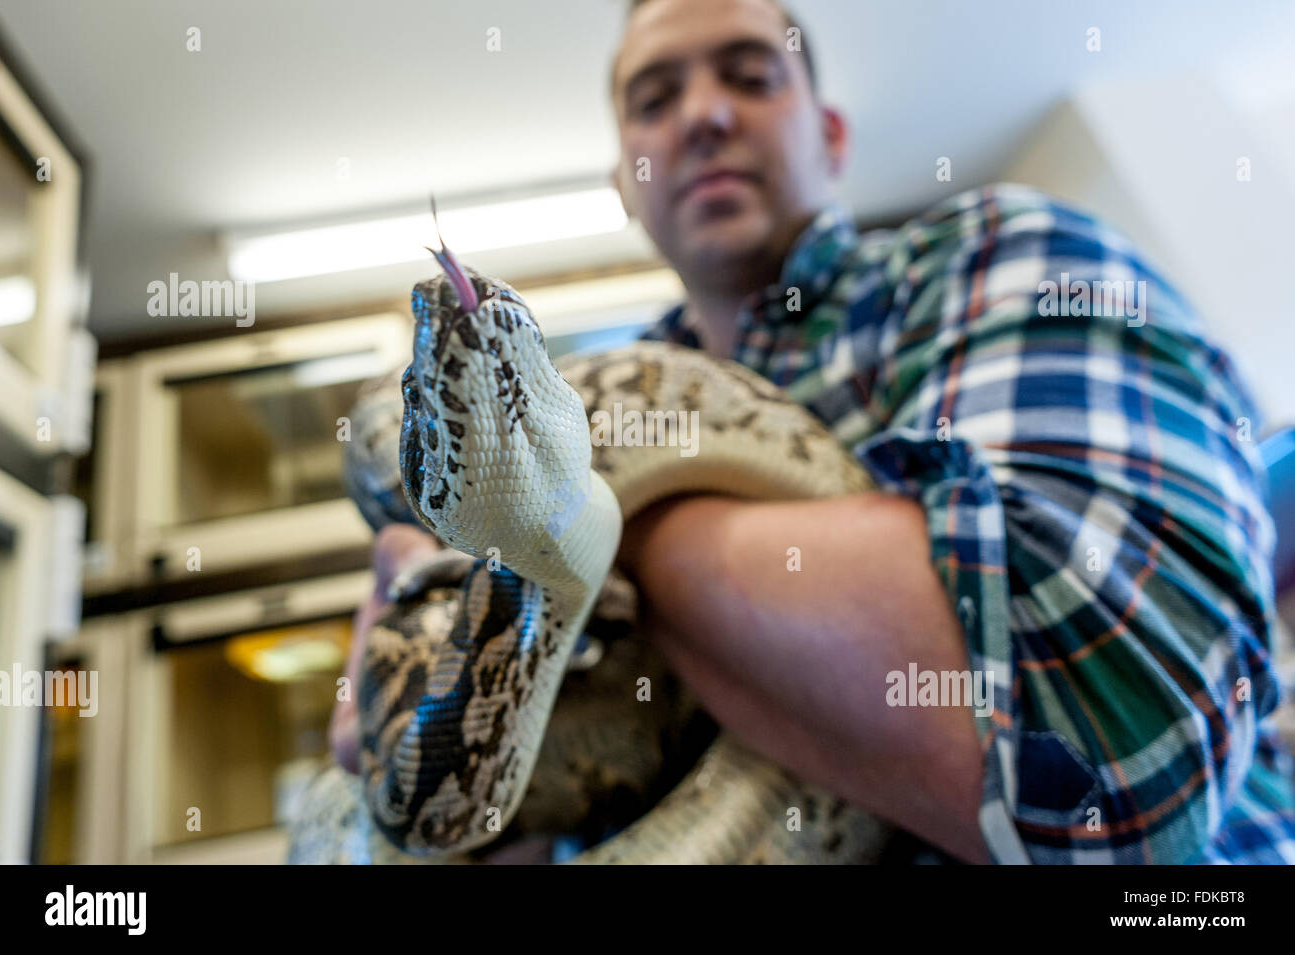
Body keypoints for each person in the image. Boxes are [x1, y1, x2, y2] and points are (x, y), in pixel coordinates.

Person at [330, 0, 1295, 863]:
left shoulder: (995, 255)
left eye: (751, 75)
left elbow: (1105, 768)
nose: (705, 114)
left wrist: (598, 521)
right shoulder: (580, 403)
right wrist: (404, 726)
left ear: (831, 137)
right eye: (655, 98)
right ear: (623, 183)